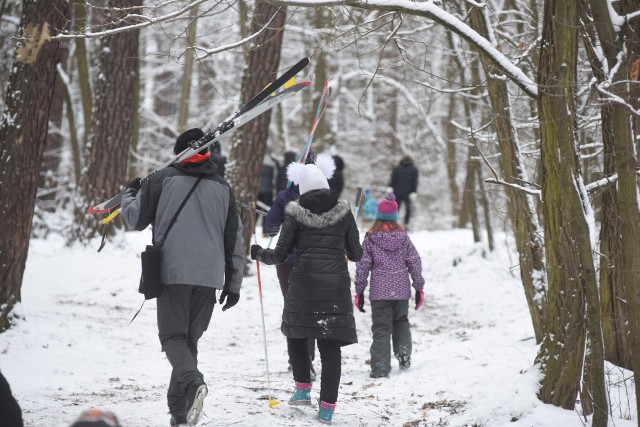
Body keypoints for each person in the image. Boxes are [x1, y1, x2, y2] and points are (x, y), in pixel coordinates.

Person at [121, 128, 244, 426]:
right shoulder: (223, 188)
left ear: (179, 153)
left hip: (174, 272)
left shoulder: (160, 180)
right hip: (210, 277)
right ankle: (179, 412)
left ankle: (192, 383)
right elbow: (234, 239)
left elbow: (134, 219)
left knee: (172, 337)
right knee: (187, 341)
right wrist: (234, 283)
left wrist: (130, 193)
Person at [250, 153, 362, 424]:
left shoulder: (295, 213)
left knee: (296, 332)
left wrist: (257, 252)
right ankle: (327, 409)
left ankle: (302, 388)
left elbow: (279, 254)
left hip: (303, 285)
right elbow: (356, 254)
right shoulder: (344, 212)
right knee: (330, 345)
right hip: (335, 285)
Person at [354, 192, 425, 378]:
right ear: (395, 217)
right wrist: (418, 287)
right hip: (401, 291)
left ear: (378, 216)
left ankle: (380, 367)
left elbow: (363, 266)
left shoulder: (370, 239)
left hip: (380, 293)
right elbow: (414, 262)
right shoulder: (404, 238)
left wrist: (359, 290)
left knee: (381, 328)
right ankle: (404, 356)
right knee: (401, 322)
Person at [263, 151, 318, 381]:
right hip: (315, 262)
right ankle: (307, 359)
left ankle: (297, 359)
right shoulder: (326, 198)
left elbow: (269, 226)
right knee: (310, 310)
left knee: (293, 309)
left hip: (288, 261)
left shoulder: (286, 196)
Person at [389, 156, 418, 227]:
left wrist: (390, 187)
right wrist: (413, 191)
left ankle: (393, 223)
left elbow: (393, 180)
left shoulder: (397, 168)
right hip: (408, 193)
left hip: (397, 192)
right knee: (408, 209)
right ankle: (406, 224)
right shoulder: (414, 169)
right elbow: (415, 182)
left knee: (395, 208)